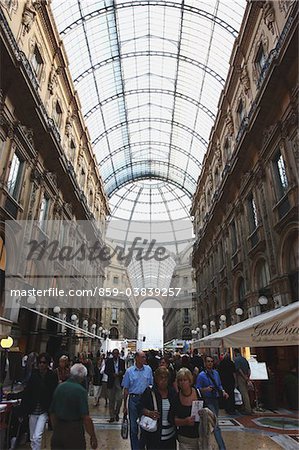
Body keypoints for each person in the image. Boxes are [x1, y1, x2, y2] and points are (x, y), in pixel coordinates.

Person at [50, 363, 98, 450]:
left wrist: (56, 429)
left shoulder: (59, 387)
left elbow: (52, 413)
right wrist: (92, 436)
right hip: (74, 431)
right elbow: (86, 418)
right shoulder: (81, 391)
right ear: (82, 377)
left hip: (58, 430)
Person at [173, 367, 216, 450]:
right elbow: (171, 419)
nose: (182, 383)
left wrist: (204, 413)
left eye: (185, 380)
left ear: (189, 381)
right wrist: (185, 421)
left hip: (200, 437)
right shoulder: (176, 398)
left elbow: (209, 414)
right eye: (180, 380)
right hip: (185, 439)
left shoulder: (199, 394)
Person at [22, 352, 58, 450]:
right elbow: (27, 391)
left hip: (44, 410)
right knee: (32, 437)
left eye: (44, 362)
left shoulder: (52, 376)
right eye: (40, 362)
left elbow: (54, 392)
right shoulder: (33, 375)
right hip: (33, 409)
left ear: (47, 364)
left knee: (37, 436)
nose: (42, 364)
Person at [122, 351, 153, 450]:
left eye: (145, 357)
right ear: (137, 358)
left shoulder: (148, 370)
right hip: (133, 400)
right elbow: (126, 389)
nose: (145, 359)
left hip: (145, 400)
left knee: (145, 425)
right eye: (143, 357)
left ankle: (143, 446)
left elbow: (151, 386)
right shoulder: (129, 371)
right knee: (133, 427)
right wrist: (124, 406)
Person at [140, 367, 177, 449]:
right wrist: (149, 413)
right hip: (154, 437)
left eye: (166, 378)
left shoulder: (172, 392)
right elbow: (140, 407)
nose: (163, 380)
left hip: (170, 437)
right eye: (161, 377)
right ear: (156, 379)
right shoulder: (149, 392)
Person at [196, 356, 228, 450]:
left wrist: (223, 392)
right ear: (205, 363)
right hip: (207, 400)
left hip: (215, 399)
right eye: (208, 361)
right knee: (216, 424)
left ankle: (209, 444)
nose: (210, 363)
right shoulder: (201, 375)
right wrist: (205, 389)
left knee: (213, 422)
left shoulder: (216, 373)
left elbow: (219, 385)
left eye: (211, 361)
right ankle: (222, 447)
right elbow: (197, 389)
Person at [105, 348, 126, 422]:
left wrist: (121, 373)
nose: (115, 355)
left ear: (118, 354)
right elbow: (106, 371)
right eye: (114, 353)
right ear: (112, 354)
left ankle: (116, 412)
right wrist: (112, 374)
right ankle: (112, 416)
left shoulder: (122, 361)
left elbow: (124, 370)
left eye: (117, 353)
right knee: (111, 400)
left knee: (119, 399)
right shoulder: (108, 361)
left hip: (119, 381)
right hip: (111, 381)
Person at [233, 349, 252, 415]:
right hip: (246, 376)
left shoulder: (236, 359)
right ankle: (244, 407)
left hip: (241, 377)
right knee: (245, 392)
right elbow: (249, 369)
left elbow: (238, 369)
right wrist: (248, 377)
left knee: (244, 394)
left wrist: (244, 377)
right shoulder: (244, 359)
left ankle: (248, 410)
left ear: (235, 352)